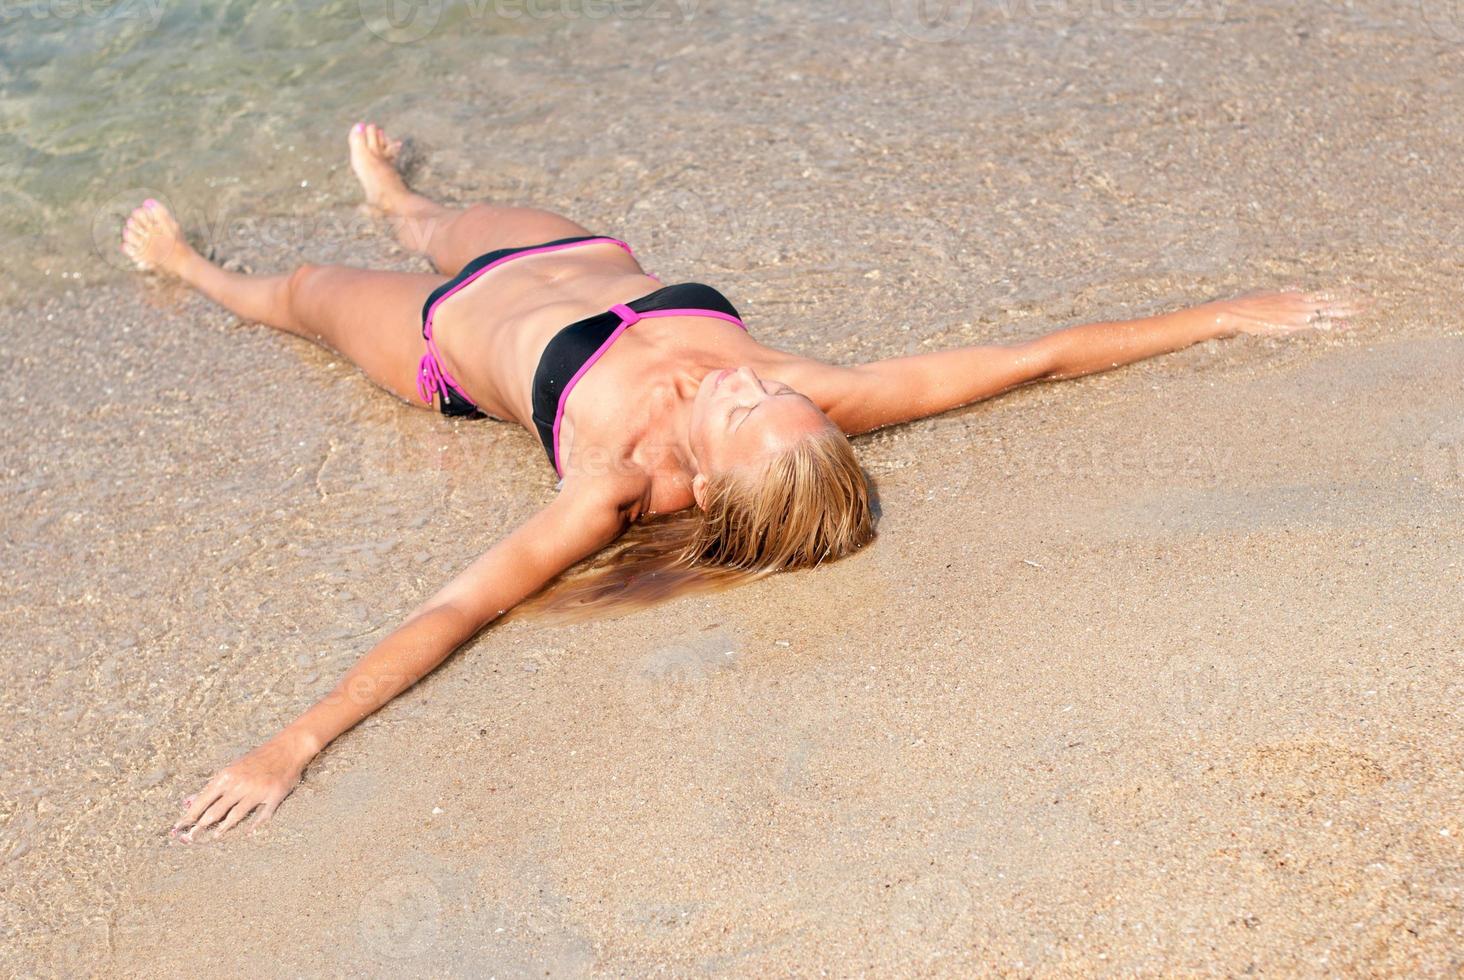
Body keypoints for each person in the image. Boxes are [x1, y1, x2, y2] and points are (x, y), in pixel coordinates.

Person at [121, 123, 1363, 841]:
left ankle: (188, 265)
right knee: (430, 216)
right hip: (569, 247)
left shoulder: (610, 483)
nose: (747, 385)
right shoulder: (814, 393)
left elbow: (460, 606)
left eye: (750, 411)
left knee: (290, 296)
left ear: (707, 486)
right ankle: (403, 194)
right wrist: (1229, 313)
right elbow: (1034, 357)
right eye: (777, 396)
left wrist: (294, 742)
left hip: (445, 337)